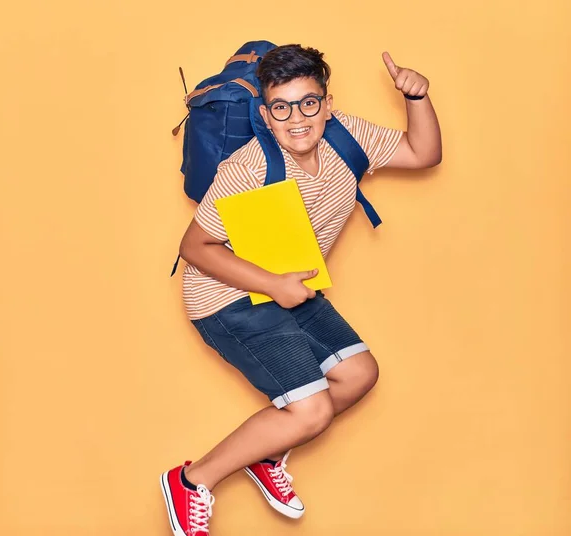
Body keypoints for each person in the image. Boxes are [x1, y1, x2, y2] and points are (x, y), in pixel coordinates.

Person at [160, 44, 442, 535]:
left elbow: (424, 154)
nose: (297, 119)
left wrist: (417, 98)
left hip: (290, 284)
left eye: (308, 103)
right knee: (310, 412)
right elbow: (195, 246)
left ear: (327, 104)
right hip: (225, 298)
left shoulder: (348, 137)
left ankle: (265, 449)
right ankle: (190, 480)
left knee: (358, 375)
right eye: (282, 107)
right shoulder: (247, 169)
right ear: (266, 115)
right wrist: (272, 284)